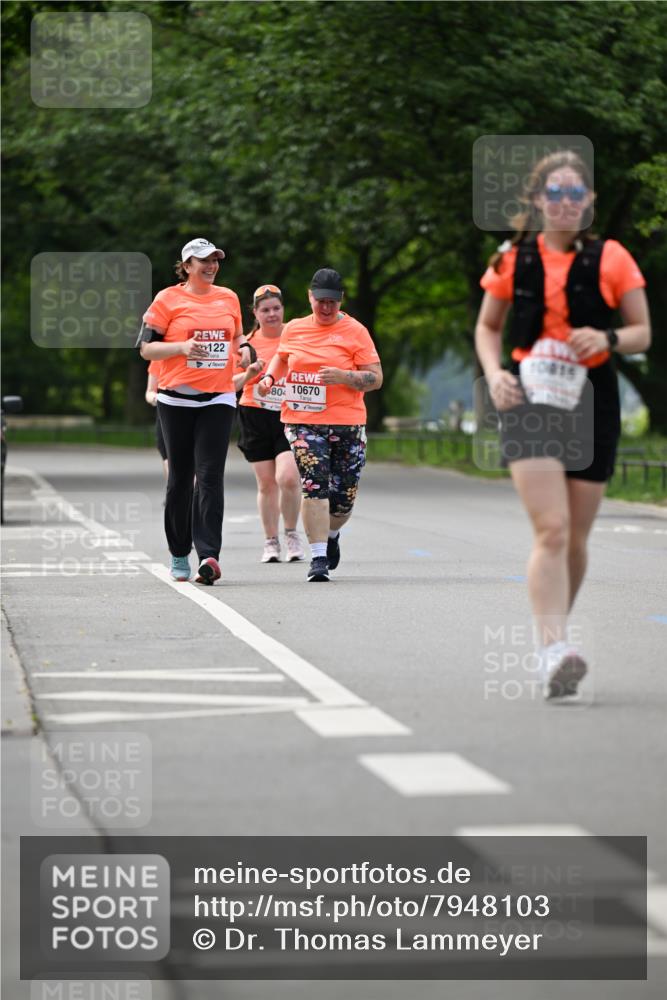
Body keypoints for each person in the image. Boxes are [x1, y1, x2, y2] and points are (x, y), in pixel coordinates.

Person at [474, 150, 651, 699]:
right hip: (528, 394)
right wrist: (495, 373)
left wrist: (609, 339)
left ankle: (553, 640)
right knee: (550, 528)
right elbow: (487, 327)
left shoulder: (613, 258)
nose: (568, 203)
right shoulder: (513, 259)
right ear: (537, 200)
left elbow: (643, 330)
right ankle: (553, 648)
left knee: (576, 535)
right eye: (557, 193)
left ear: (590, 202)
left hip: (592, 397)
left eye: (578, 193)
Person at [138, 237, 253, 583]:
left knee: (210, 476)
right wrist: (181, 347)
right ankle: (178, 553)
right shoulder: (167, 299)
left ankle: (209, 556)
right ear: (186, 265)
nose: (212, 265)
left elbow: (236, 338)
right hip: (176, 399)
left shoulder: (228, 297)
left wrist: (246, 349)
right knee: (180, 480)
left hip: (218, 397)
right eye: (203, 260)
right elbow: (145, 349)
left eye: (215, 260)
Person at [257, 268, 382, 581]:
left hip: (347, 422)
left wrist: (346, 377)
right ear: (310, 297)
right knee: (314, 486)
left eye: (333, 302)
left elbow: (376, 378)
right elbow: (283, 357)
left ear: (341, 301)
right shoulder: (295, 329)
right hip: (303, 421)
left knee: (342, 500)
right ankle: (318, 559)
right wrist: (270, 378)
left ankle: (331, 535)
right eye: (321, 301)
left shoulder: (356, 331)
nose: (326, 308)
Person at [233, 284, 305, 563]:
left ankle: (291, 534)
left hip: (289, 414)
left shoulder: (297, 335)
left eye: (276, 308)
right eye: (265, 310)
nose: (272, 314)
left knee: (287, 477)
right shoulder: (246, 344)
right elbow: (229, 384)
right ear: (255, 313)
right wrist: (250, 373)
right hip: (254, 414)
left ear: (283, 309)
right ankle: (270, 541)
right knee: (266, 484)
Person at [145, 361, 168, 479]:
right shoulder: (160, 357)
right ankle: (176, 494)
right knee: (168, 456)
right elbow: (149, 392)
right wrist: (155, 398)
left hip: (199, 413)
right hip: (166, 412)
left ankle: (194, 495)